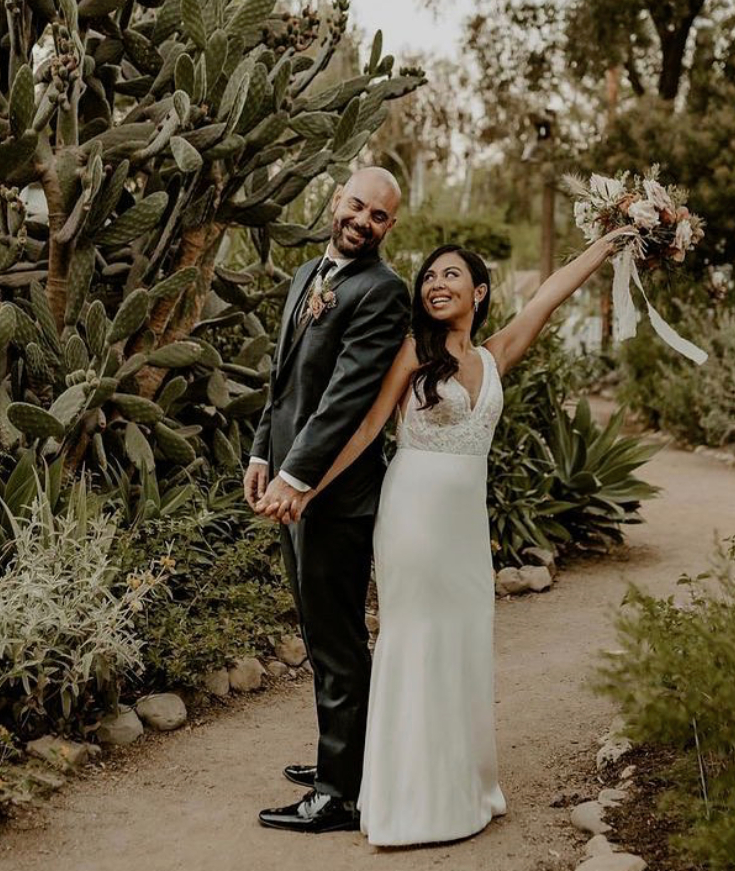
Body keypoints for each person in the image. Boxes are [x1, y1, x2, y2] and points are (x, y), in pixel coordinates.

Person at [260, 226, 636, 846]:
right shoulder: (413, 350)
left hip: (464, 527)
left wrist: (607, 244)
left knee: (462, 643)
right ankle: (404, 795)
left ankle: (461, 784)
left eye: (450, 275)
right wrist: (302, 487)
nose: (436, 284)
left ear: (479, 292)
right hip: (411, 517)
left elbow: (548, 296)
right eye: (429, 277)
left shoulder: (495, 355)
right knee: (416, 640)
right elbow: (363, 431)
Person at [246, 167, 410, 833]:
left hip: (335, 495)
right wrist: (262, 453)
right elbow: (283, 385)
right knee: (318, 630)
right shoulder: (306, 275)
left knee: (337, 638)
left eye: (378, 216)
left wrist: (298, 477)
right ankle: (344, 757)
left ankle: (341, 795)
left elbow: (347, 399)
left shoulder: (383, 292)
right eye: (357, 205)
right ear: (337, 197)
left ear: (389, 227)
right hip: (290, 482)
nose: (363, 220)